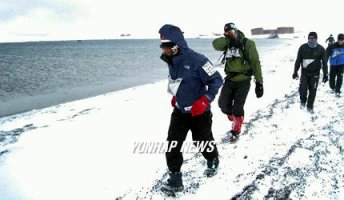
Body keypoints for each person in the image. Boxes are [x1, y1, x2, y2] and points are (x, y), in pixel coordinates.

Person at [158, 24, 223, 194]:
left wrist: (205, 100)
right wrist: (175, 95)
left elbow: (217, 80)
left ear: (176, 45)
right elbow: (177, 80)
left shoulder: (198, 60)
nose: (164, 50)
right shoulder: (171, 59)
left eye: (166, 47)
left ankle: (213, 159)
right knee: (173, 143)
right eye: (162, 47)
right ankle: (175, 178)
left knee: (201, 141)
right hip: (180, 111)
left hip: (199, 112)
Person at [212, 22, 263, 143]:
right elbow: (215, 44)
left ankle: (236, 130)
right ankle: (235, 118)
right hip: (230, 80)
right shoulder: (227, 43)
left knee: (238, 107)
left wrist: (259, 83)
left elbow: (255, 62)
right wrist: (228, 39)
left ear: (237, 31)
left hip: (244, 80)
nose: (230, 34)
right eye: (228, 33)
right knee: (223, 105)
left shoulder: (248, 43)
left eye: (232, 32)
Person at [293, 32, 328, 112]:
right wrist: (295, 72)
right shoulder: (302, 48)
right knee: (303, 89)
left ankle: (310, 106)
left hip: (315, 74)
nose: (311, 40)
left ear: (316, 39)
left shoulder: (321, 49)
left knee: (313, 90)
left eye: (313, 38)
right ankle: (303, 101)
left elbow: (324, 63)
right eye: (310, 38)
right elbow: (298, 60)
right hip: (304, 73)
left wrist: (326, 74)